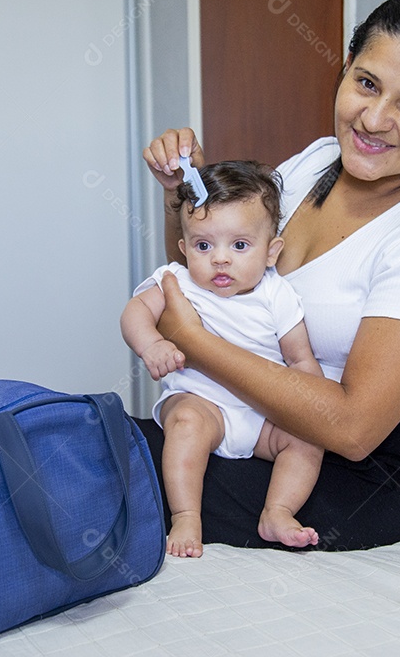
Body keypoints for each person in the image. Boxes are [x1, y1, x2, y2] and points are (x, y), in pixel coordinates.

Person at [137, 0, 400, 551]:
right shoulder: (316, 162)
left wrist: (193, 340)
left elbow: (355, 430)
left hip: (370, 470)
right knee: (100, 440)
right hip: (259, 417)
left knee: (118, 472)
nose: (374, 119)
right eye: (366, 83)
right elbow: (222, 271)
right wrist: (182, 200)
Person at [121, 160, 325, 558]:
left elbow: (300, 360)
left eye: (240, 245)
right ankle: (185, 515)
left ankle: (277, 511)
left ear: (271, 252)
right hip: (202, 402)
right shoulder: (176, 280)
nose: (220, 259)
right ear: (184, 249)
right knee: (187, 425)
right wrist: (151, 345)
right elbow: (134, 312)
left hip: (261, 414)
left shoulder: (277, 295)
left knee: (306, 439)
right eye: (203, 245)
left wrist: (318, 401)